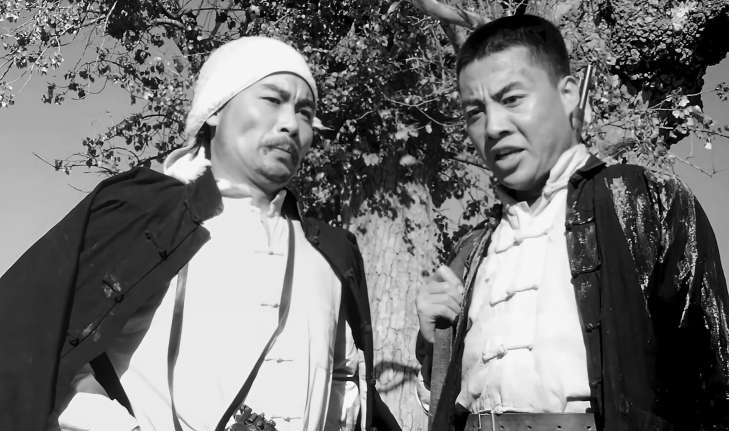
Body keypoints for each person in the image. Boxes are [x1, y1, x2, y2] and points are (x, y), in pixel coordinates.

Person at [0, 36, 399, 431]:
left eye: (305, 112)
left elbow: (347, 389)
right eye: (272, 100)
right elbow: (42, 354)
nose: (291, 124)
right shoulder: (143, 216)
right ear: (215, 111)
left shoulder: (330, 254)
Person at [415, 14, 729, 431]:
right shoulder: (474, 252)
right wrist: (432, 344)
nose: (493, 127)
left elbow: (713, 386)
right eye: (475, 112)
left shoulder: (645, 201)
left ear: (567, 96)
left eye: (512, 99)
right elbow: (449, 401)